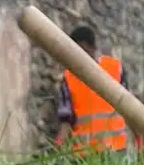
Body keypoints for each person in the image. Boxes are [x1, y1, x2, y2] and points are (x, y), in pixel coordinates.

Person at [56, 26, 131, 155]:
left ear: (93, 48)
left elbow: (130, 109)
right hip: (83, 155)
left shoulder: (115, 69)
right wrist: (56, 147)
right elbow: (66, 122)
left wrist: (140, 141)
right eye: (75, 50)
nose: (79, 55)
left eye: (83, 50)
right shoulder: (68, 78)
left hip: (115, 151)